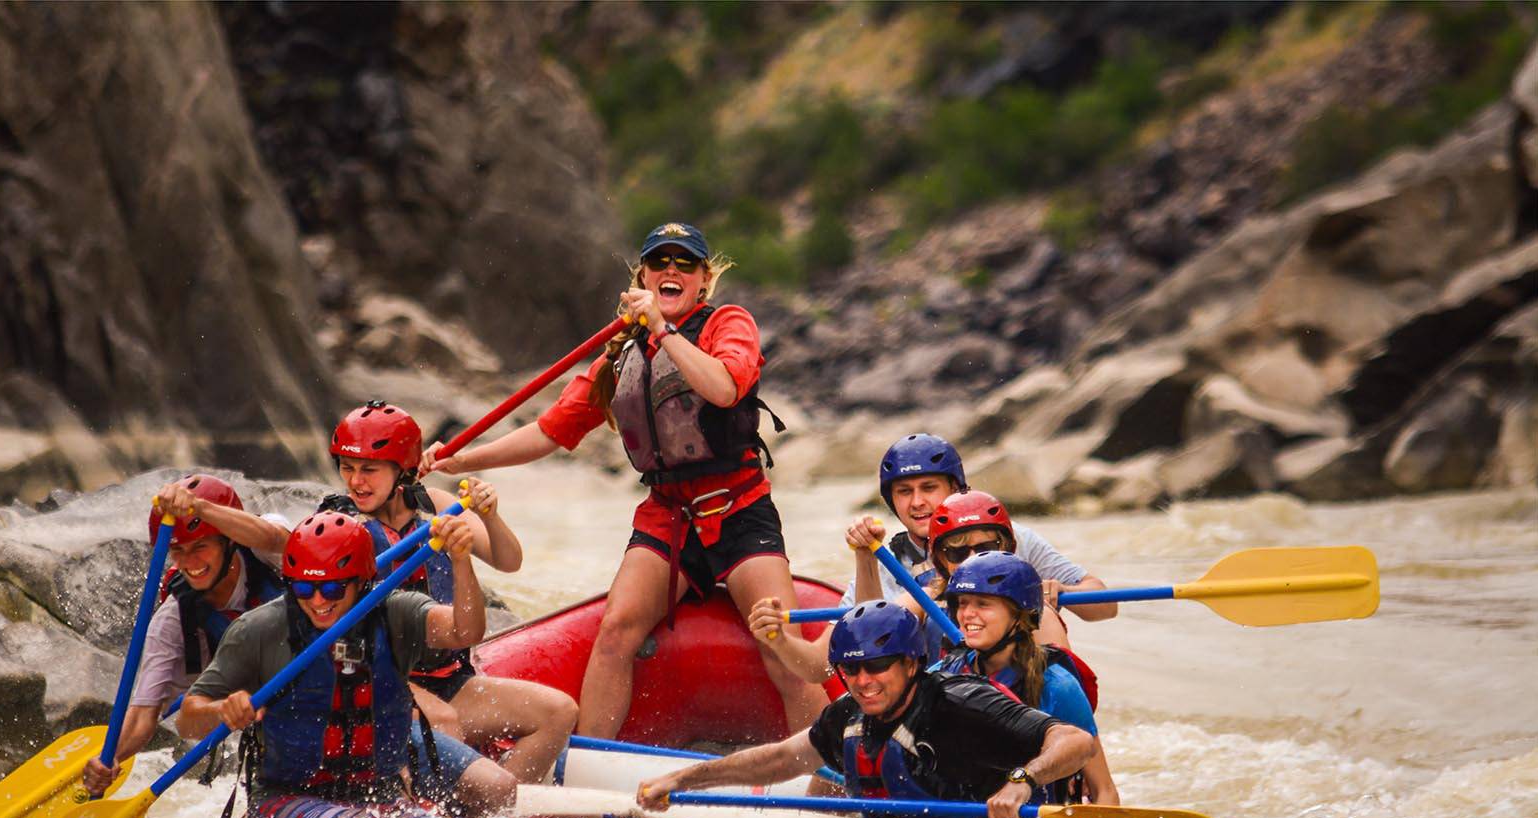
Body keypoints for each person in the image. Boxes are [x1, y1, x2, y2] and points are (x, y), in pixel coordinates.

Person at [423, 222, 821, 739]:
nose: (671, 271)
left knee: (778, 638)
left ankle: (824, 776)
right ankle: (589, 767)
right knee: (614, 632)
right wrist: (462, 461)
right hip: (668, 513)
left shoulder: (728, 323)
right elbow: (550, 432)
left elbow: (724, 389)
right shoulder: (620, 355)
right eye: (660, 262)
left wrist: (663, 329)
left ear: (703, 280)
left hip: (738, 506)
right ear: (643, 276)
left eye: (685, 264)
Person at [637, 601, 1096, 818]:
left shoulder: (962, 704)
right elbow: (778, 760)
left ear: (911, 663)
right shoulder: (848, 716)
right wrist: (681, 781)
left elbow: (1076, 741)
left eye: (877, 666)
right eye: (850, 669)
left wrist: (1022, 780)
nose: (863, 681)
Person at [179, 509, 514, 818]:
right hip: (290, 799)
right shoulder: (257, 631)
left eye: (333, 588)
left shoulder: (393, 611)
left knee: (497, 789)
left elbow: (465, 632)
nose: (318, 601)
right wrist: (220, 712)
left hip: (380, 785)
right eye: (304, 588)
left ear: (362, 581)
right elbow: (188, 719)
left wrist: (462, 561)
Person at [320, 401, 576, 783]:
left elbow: (509, 561)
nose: (356, 482)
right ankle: (467, 805)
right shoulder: (339, 527)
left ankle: (500, 816)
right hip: (382, 681)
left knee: (559, 712)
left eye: (369, 470)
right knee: (443, 722)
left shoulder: (435, 504)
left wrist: (489, 515)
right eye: (348, 468)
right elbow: (327, 631)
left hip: (448, 678)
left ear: (403, 470)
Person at [749, 436, 1115, 682]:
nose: (918, 503)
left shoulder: (1008, 536)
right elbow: (846, 651)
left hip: (1019, 687)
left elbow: (1105, 605)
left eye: (929, 488)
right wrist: (778, 639)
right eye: (904, 492)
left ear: (955, 490)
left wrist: (1057, 590)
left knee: (1045, 615)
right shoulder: (885, 558)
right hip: (933, 693)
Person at [83, 475, 290, 797]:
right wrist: (109, 759)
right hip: (273, 722)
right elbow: (144, 715)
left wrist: (201, 508)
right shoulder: (172, 620)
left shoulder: (264, 552)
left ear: (228, 541)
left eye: (200, 547)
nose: (189, 563)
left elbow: (276, 539)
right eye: (177, 550)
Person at [935, 551, 1119, 818]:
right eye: (963, 603)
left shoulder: (1057, 686)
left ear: (1020, 616)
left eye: (983, 604)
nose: (967, 615)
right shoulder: (944, 674)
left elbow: (1104, 790)